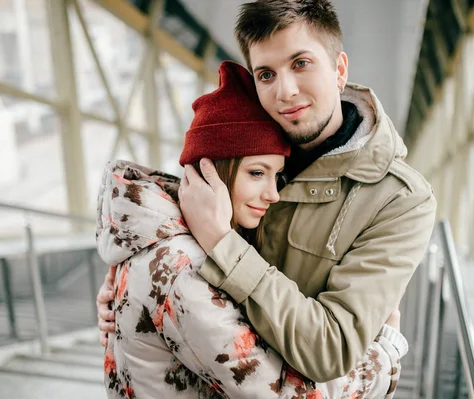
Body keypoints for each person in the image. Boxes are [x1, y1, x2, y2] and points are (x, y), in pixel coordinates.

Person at [97, 60, 408, 399]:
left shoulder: (171, 243)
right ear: (211, 170)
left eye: (277, 176)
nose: (273, 194)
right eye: (257, 173)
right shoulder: (180, 267)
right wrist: (386, 353)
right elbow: (289, 394)